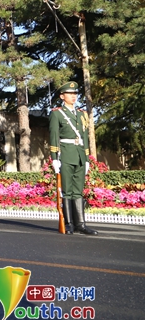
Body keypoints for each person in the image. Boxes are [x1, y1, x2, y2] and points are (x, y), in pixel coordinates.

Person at [49, 81, 97, 236]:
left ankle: (81, 224)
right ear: (62, 96)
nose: (73, 96)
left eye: (75, 94)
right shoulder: (57, 113)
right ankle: (69, 223)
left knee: (78, 191)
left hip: (79, 155)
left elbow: (84, 136)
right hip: (66, 154)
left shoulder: (82, 114)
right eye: (70, 94)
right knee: (67, 191)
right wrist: (54, 158)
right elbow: (54, 136)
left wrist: (87, 158)